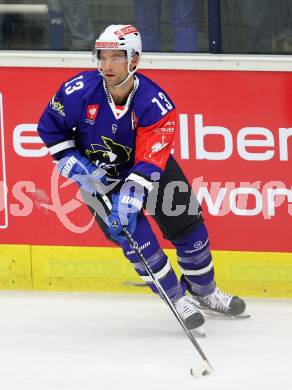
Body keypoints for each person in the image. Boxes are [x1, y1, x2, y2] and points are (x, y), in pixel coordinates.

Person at [37, 24, 247, 332]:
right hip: (98, 180)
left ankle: (205, 292)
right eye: (103, 57)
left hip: (151, 172)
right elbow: (50, 127)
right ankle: (177, 299)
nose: (107, 65)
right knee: (136, 242)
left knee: (192, 233)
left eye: (116, 57)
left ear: (134, 60)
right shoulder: (77, 91)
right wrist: (74, 164)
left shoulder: (155, 102)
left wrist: (133, 191)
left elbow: (152, 157)